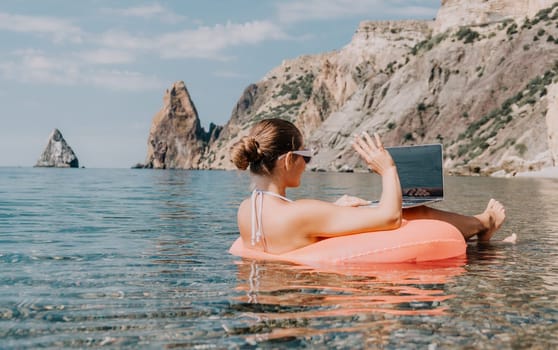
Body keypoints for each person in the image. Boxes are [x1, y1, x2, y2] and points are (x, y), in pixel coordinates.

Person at [230, 118, 506, 255]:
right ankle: (484, 222)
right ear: (289, 160)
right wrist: (387, 169)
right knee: (415, 214)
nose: (307, 163)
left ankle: (481, 236)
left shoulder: (245, 210)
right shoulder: (301, 212)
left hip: (276, 293)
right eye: (306, 156)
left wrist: (332, 209)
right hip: (313, 299)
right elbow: (390, 217)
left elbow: (294, 222)